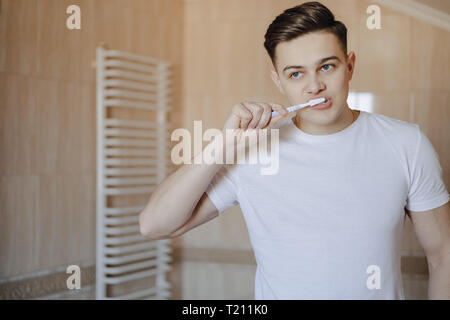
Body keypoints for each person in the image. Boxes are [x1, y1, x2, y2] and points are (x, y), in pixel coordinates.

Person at [139, 1, 450, 299]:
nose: (314, 86)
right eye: (296, 73)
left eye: (326, 67)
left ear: (350, 66)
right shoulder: (253, 153)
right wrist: (223, 143)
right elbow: (154, 225)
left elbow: (442, 256)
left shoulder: (407, 144)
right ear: (278, 81)